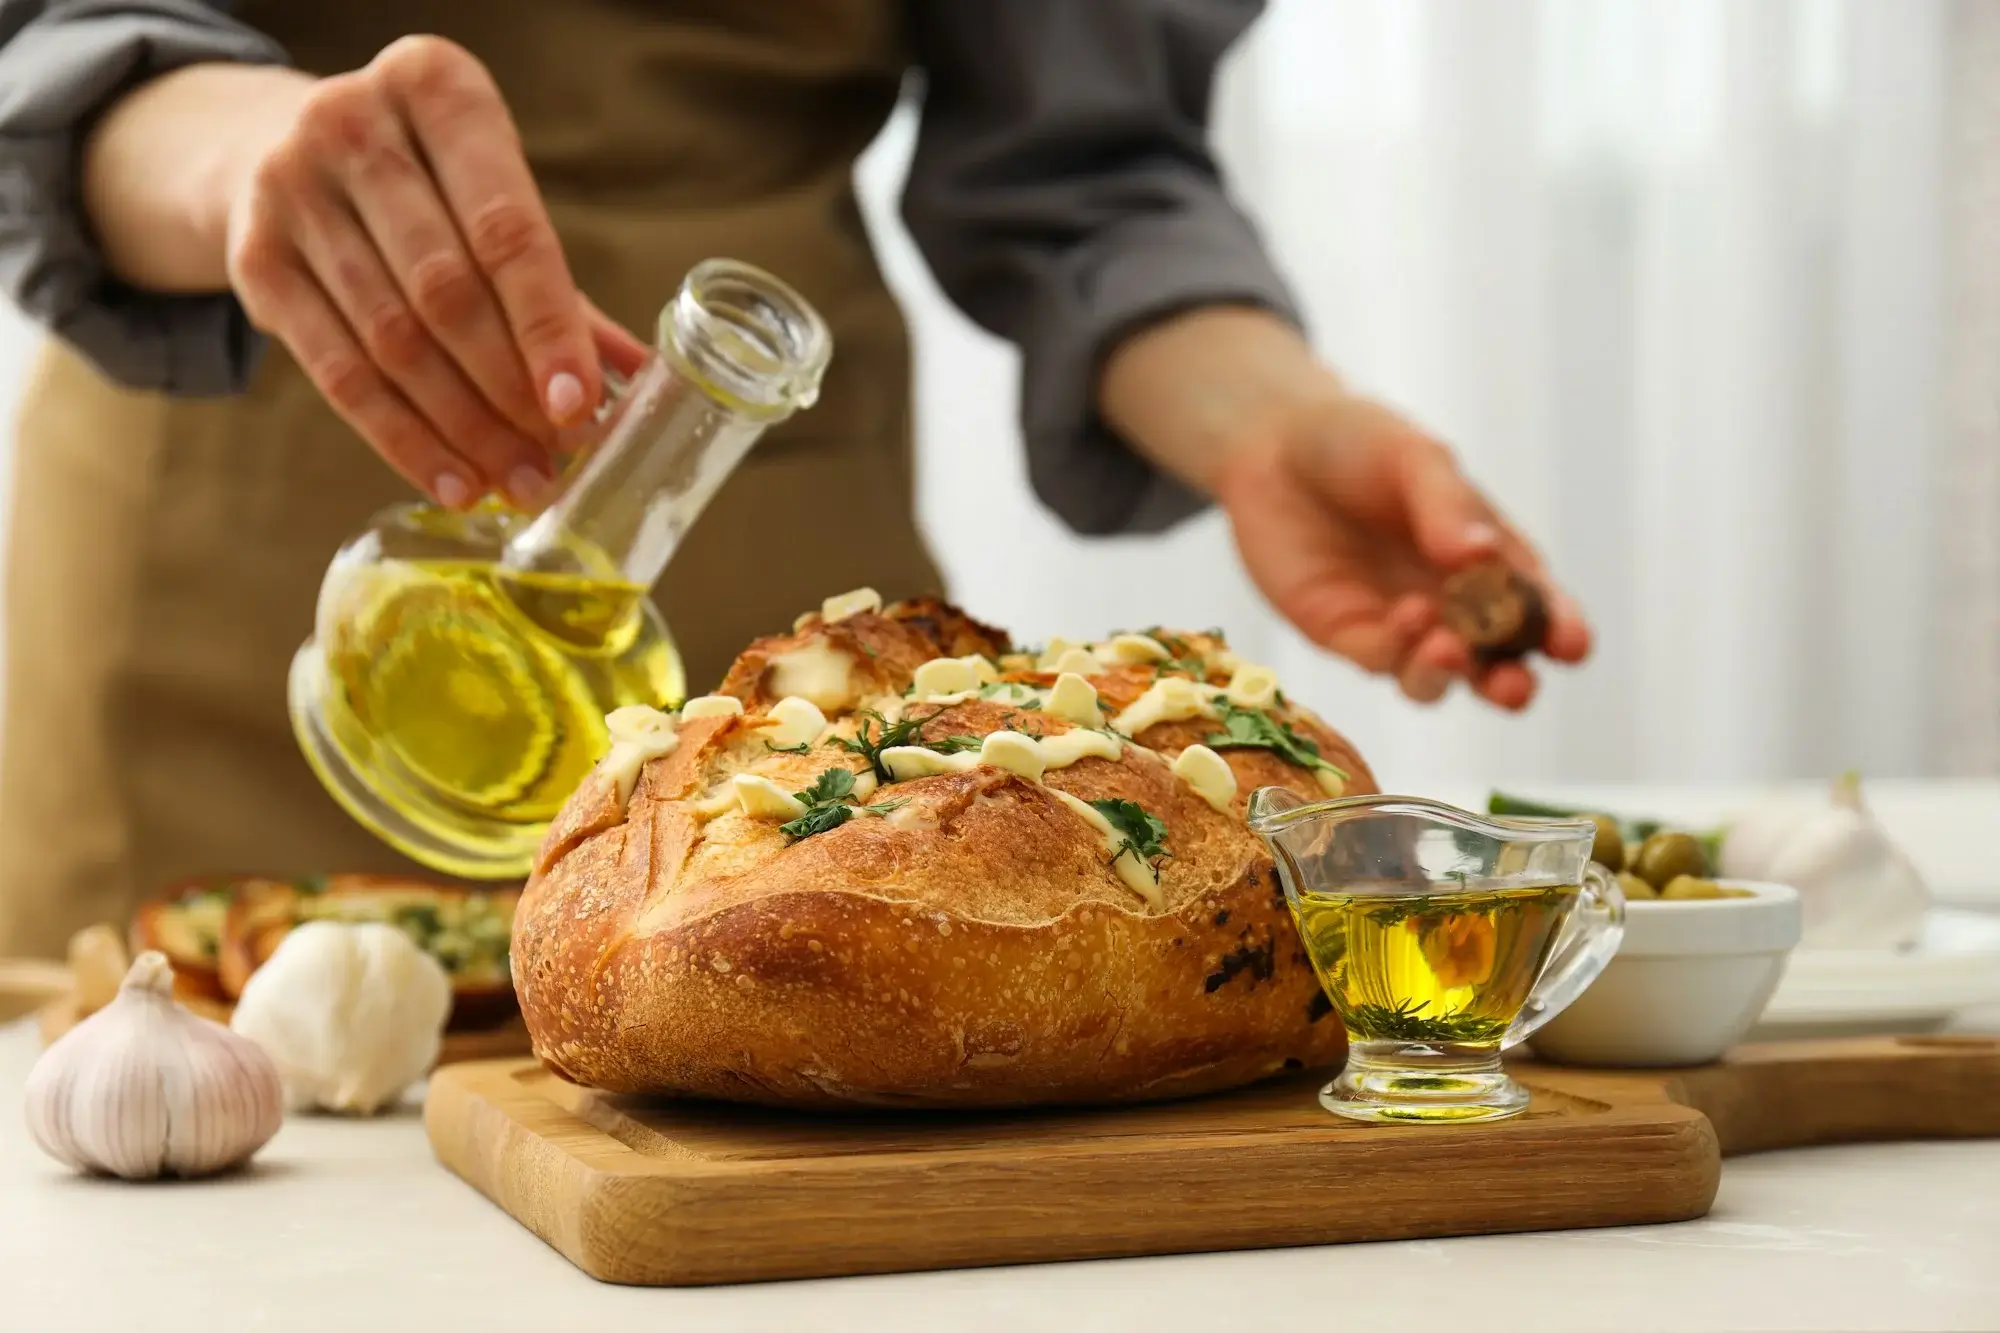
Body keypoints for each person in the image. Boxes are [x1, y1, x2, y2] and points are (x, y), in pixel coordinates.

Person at [0, 0, 1590, 959]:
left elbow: (1079, 164)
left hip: (783, 616)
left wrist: (1268, 419)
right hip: (226, 574)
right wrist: (238, 159)